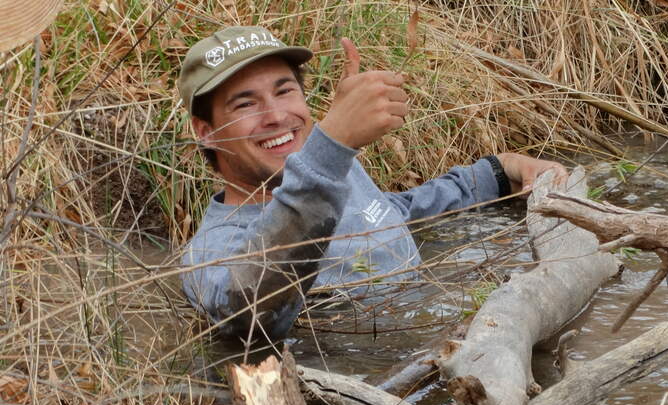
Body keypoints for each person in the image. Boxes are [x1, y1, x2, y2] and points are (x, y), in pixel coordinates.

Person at [177, 26, 566, 342]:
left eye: (285, 90)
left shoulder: (337, 173)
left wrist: (498, 172)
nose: (277, 115)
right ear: (206, 132)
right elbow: (253, 311)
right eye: (245, 104)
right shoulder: (210, 253)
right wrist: (331, 147)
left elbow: (391, 214)